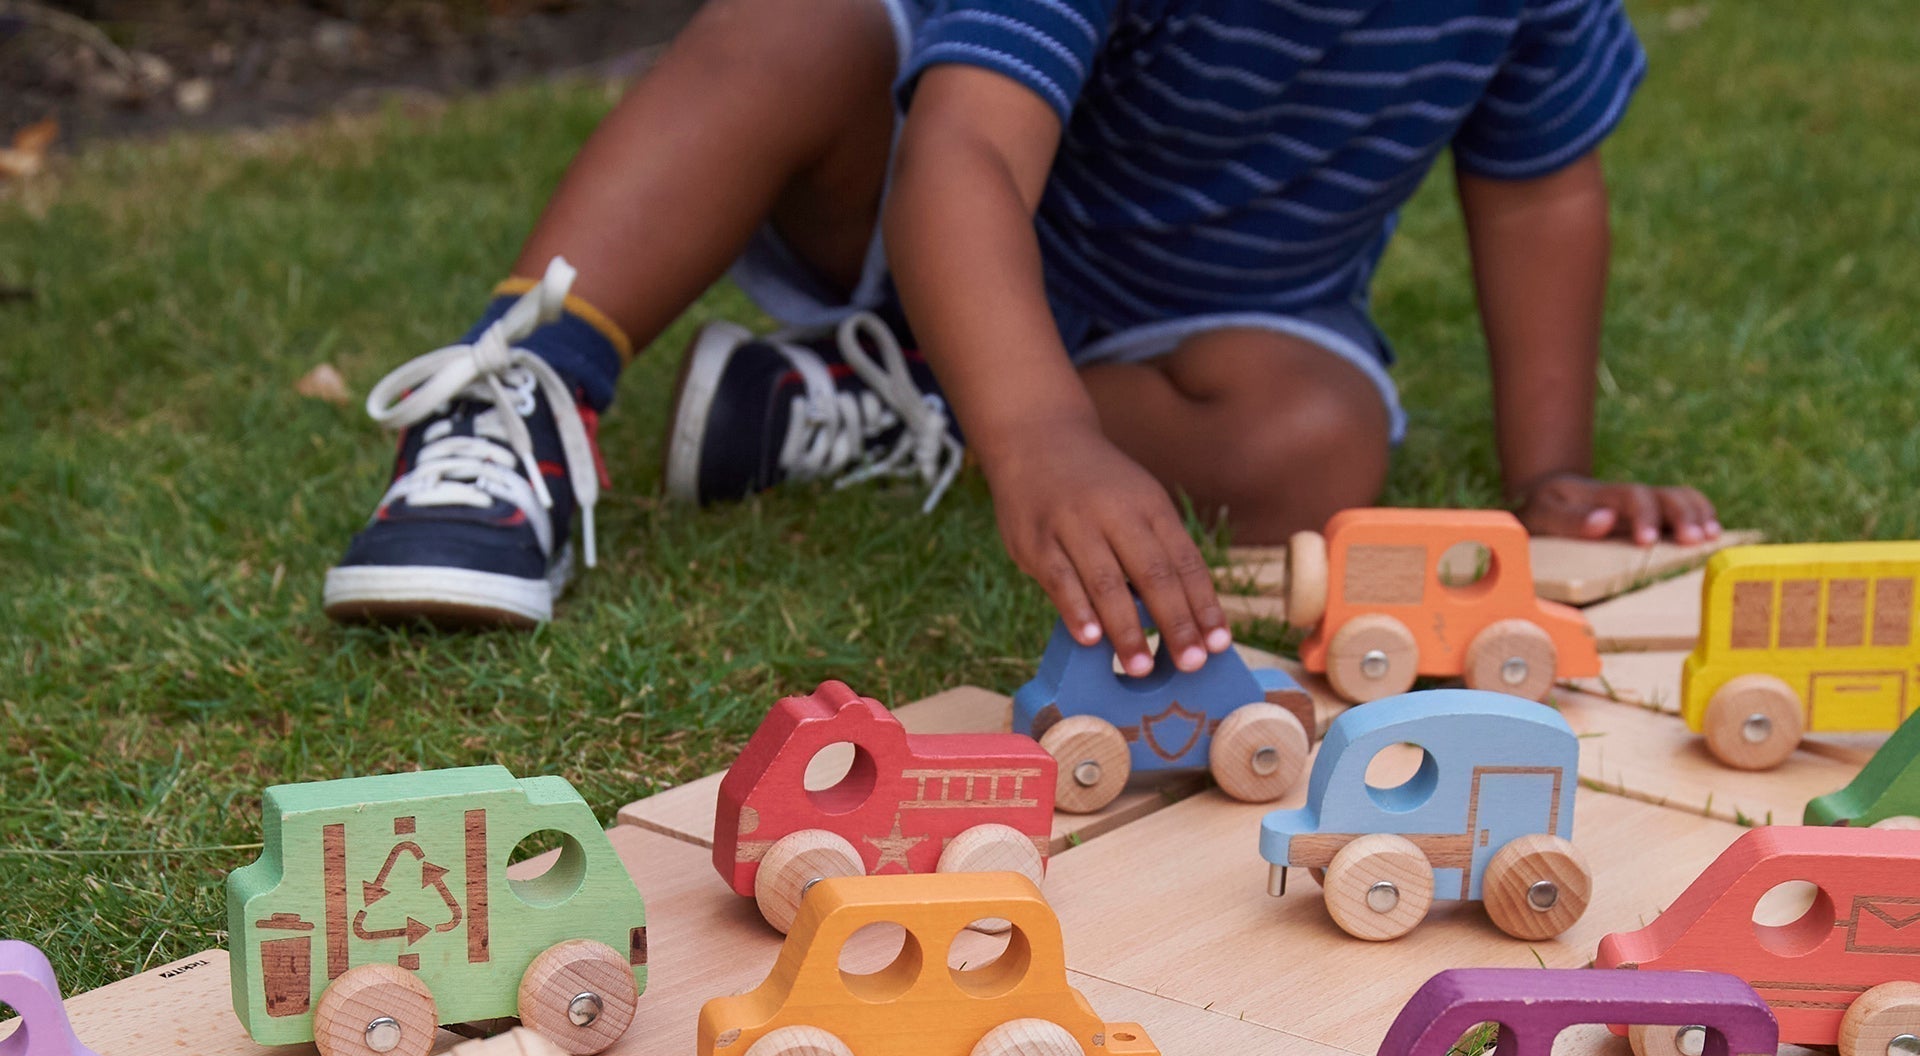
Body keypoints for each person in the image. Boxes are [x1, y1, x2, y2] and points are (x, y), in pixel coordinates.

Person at [322, 0, 1723, 677]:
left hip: (1208, 314)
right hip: (921, 215)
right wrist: (1040, 434)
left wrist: (1552, 477)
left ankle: (902, 410)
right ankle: (520, 389)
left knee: (1322, 443)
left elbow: (1541, 187)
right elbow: (967, 155)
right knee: (801, 17)